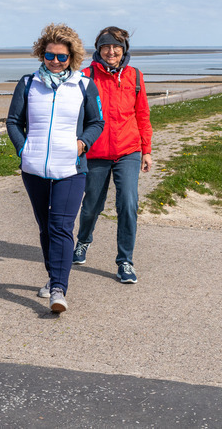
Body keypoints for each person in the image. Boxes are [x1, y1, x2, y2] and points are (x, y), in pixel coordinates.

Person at [6, 23, 104, 314]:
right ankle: (53, 277)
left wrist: (82, 144)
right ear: (42, 54)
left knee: (61, 226)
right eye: (50, 56)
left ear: (72, 57)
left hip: (71, 168)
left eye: (62, 57)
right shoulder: (28, 83)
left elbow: (96, 122)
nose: (55, 62)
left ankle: (58, 289)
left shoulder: (84, 85)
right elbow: (13, 121)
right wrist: (24, 148)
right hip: (34, 167)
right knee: (46, 227)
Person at [73, 26, 152, 284]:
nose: (111, 51)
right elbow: (75, 115)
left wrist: (147, 151)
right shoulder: (85, 76)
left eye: (116, 46)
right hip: (95, 152)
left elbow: (142, 116)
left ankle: (125, 261)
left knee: (128, 204)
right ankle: (83, 241)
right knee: (91, 205)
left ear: (124, 50)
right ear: (99, 49)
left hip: (128, 151)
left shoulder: (135, 76)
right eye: (106, 46)